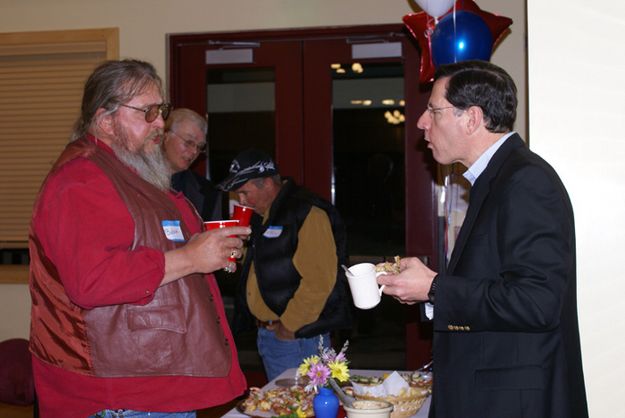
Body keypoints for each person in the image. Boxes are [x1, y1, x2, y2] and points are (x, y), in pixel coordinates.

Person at [28, 59, 250, 418]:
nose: (160, 123)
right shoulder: (81, 179)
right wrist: (191, 258)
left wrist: (208, 250)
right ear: (105, 120)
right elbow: (92, 279)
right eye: (147, 112)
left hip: (152, 384)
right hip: (123, 396)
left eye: (160, 110)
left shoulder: (134, 175)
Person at [377, 61, 588, 418]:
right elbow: (495, 284)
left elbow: (537, 302)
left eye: (433, 110)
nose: (421, 122)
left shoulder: (525, 182)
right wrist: (427, 286)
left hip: (513, 404)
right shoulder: (499, 178)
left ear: (471, 118)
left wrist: (434, 289)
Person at [219, 149, 351, 380]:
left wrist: (288, 327)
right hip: (274, 333)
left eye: (244, 192)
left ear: (267, 184)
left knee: (300, 410)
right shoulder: (266, 215)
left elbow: (319, 280)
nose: (241, 201)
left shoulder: (306, 212)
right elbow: (273, 261)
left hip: (299, 336)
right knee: (289, 409)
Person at [163, 108, 223, 221]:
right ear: (165, 137)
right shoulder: (136, 180)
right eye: (189, 143)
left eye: (199, 146)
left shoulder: (208, 193)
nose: (195, 152)